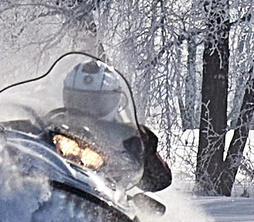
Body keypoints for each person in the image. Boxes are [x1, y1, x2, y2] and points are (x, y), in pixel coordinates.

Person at [52, 59, 174, 192]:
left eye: (97, 102)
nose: (87, 109)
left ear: (116, 100)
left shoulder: (127, 136)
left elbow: (161, 180)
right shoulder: (54, 123)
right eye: (79, 100)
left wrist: (146, 149)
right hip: (55, 182)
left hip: (106, 195)